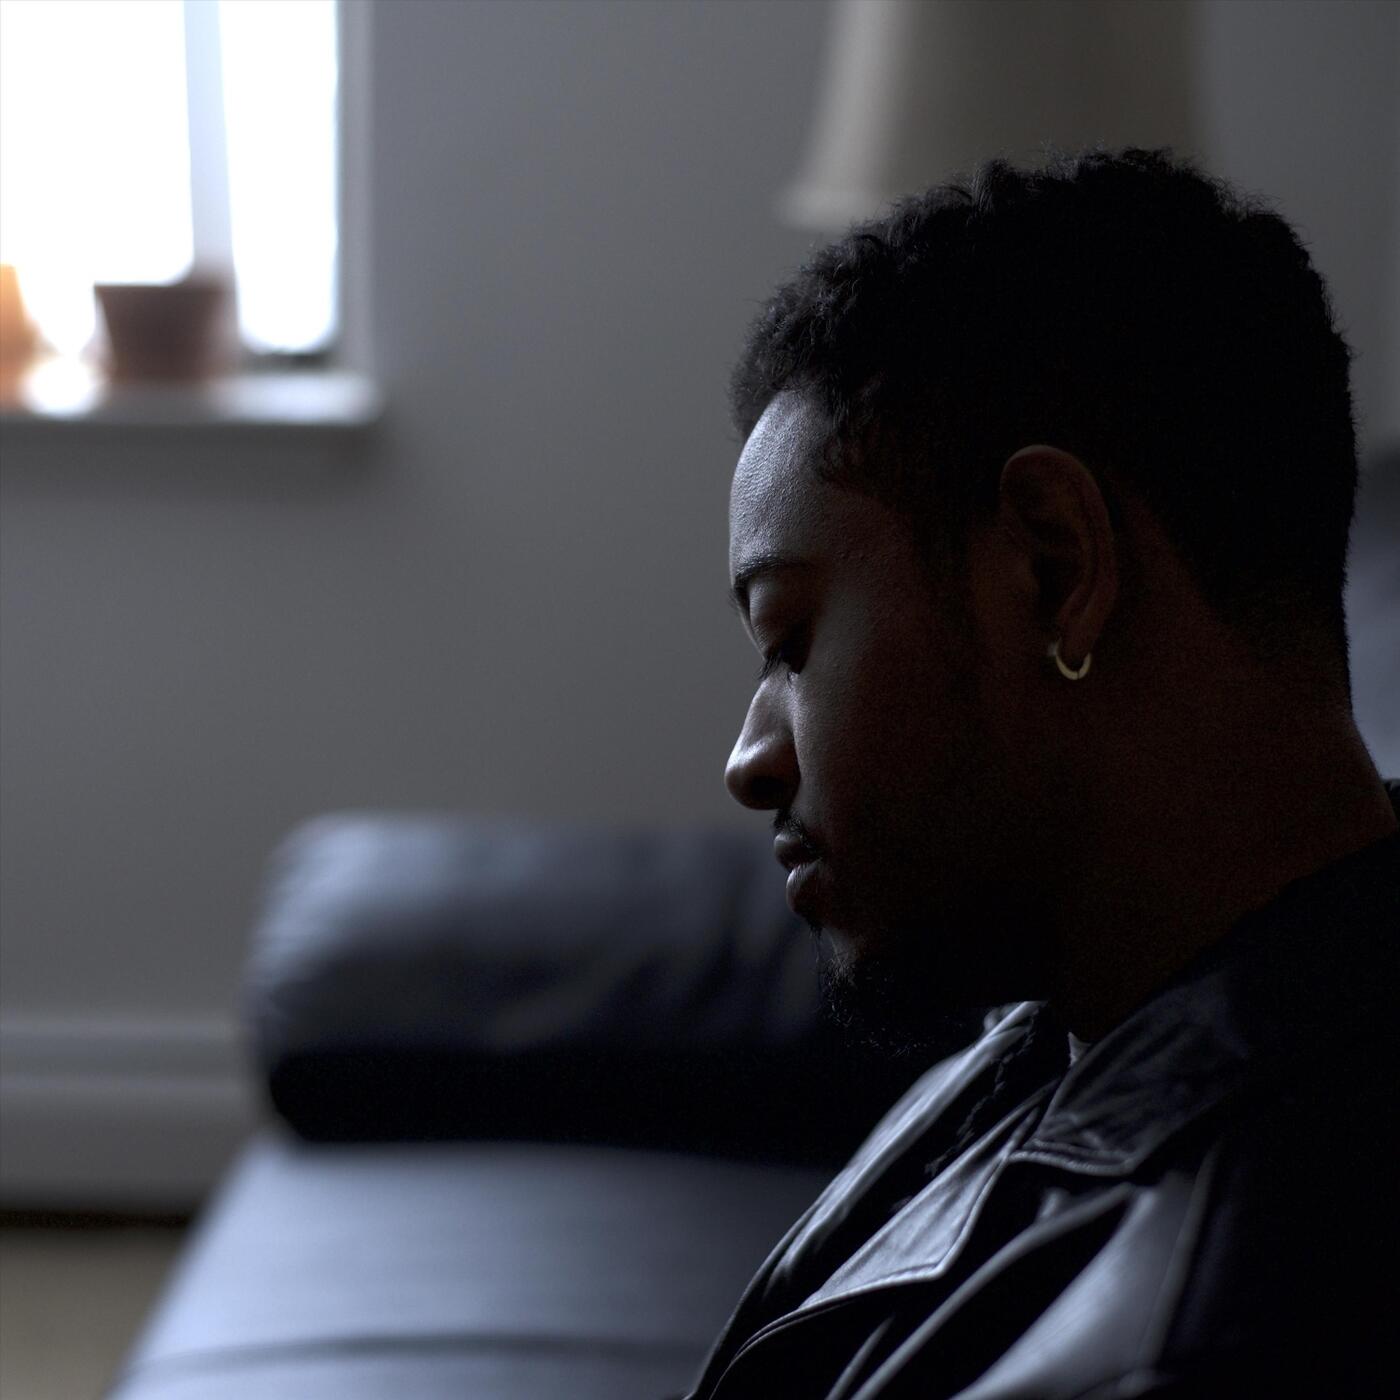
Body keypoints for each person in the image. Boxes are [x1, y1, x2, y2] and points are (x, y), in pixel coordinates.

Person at [686, 145, 1399, 1399]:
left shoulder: (1188, 1335)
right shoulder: (1075, 1021)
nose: (749, 760)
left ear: (1054, 568)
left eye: (790, 639)